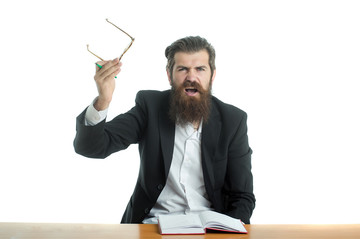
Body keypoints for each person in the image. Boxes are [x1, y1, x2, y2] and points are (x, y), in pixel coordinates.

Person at [74, 36, 255, 224]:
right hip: (153, 226)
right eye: (182, 69)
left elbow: (242, 196)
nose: (191, 78)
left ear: (212, 75)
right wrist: (104, 99)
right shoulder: (150, 107)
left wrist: (228, 231)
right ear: (169, 75)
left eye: (200, 69)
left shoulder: (233, 120)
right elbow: (91, 147)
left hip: (209, 228)